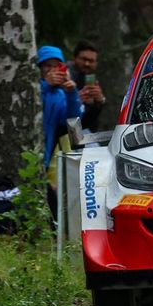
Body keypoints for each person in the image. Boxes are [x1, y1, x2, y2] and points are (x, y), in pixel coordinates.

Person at [39, 45, 81, 217]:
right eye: (46, 66)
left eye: (56, 66)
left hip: (46, 152)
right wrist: (45, 86)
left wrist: (72, 93)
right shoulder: (34, 87)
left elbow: (72, 121)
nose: (51, 70)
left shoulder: (60, 94)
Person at [67, 40, 106, 131]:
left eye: (91, 61)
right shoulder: (66, 75)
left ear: (96, 63)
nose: (87, 64)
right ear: (75, 58)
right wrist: (77, 100)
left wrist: (99, 101)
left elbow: (90, 120)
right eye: (84, 59)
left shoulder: (94, 79)